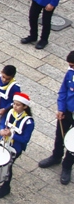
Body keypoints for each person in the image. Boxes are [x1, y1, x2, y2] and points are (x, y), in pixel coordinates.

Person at [40, 50, 74, 186]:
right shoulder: (70, 73)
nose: (70, 68)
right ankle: (56, 156)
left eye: (72, 65)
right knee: (60, 135)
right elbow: (63, 90)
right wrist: (61, 108)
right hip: (67, 111)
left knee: (72, 143)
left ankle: (67, 166)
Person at [0, 91, 35, 198]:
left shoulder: (28, 122)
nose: (15, 106)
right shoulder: (10, 112)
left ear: (25, 106)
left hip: (14, 147)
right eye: (14, 104)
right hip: (3, 141)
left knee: (8, 166)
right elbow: (3, 122)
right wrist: (2, 129)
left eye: (18, 105)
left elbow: (25, 139)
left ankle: (6, 186)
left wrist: (11, 134)